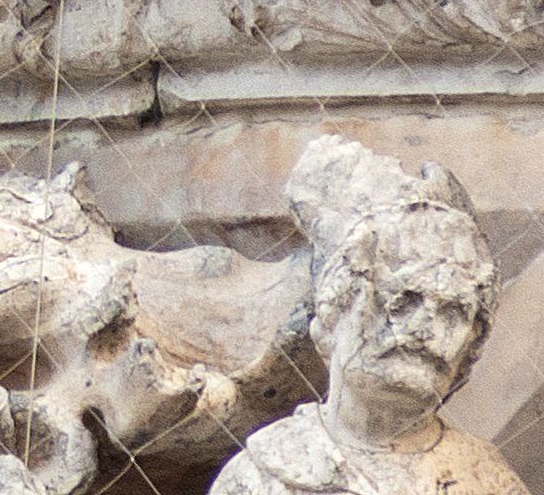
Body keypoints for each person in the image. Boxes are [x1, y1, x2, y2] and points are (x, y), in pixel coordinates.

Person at [213, 148, 519, 495]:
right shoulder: (261, 475)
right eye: (403, 299)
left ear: (472, 346)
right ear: (333, 311)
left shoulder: (487, 479)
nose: (425, 329)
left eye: (453, 312)